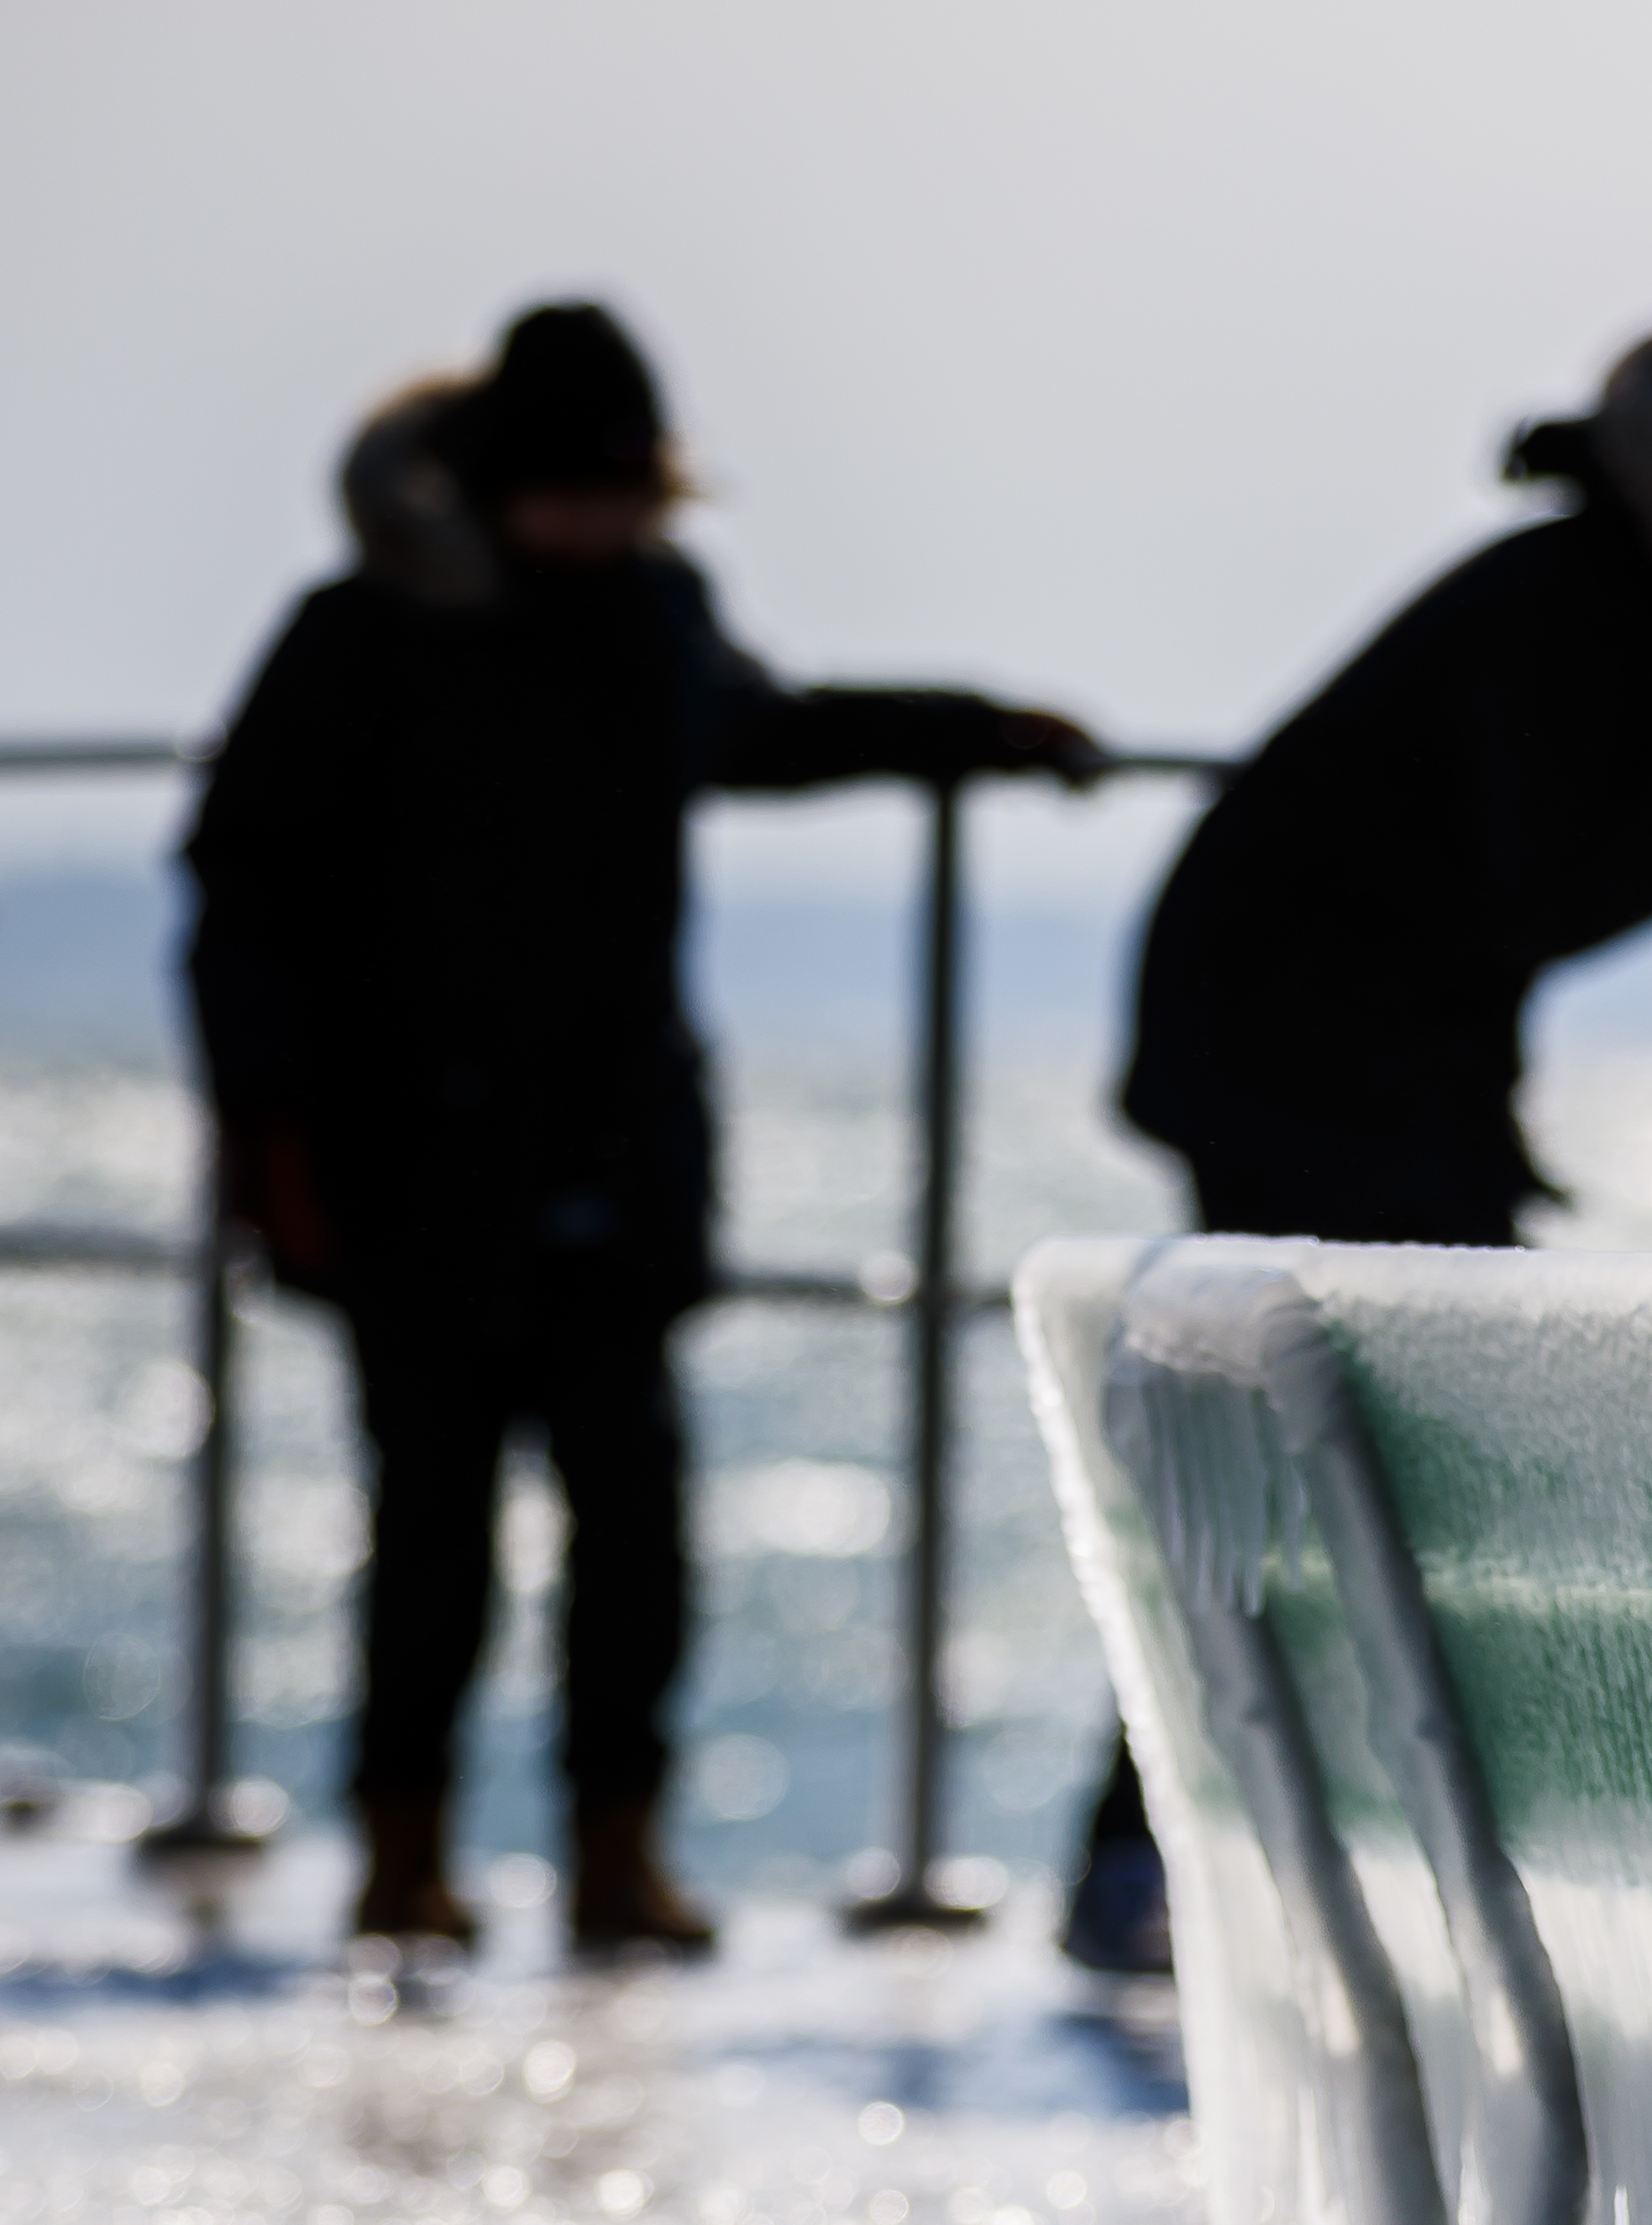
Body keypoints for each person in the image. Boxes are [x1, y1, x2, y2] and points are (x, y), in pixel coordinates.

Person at [186, 301, 1099, 1957]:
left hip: (616, 1146)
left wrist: (977, 727)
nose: (611, 524)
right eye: (581, 493)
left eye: (634, 494)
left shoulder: (658, 615)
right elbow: (238, 881)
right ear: (491, 482)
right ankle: (403, 1855)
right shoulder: (363, 630)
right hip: (409, 1164)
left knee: (636, 1526)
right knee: (433, 1528)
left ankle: (620, 1852)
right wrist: (269, 1132)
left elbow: (769, 730)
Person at [1062, 312, 1652, 1972]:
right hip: (1304, 1060)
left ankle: (1218, 1856)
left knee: (1338, 1457)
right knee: (1337, 1456)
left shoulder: (1634, 615)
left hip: (1347, 1060)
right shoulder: (1576, 608)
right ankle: (1168, 1862)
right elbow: (1547, 876)